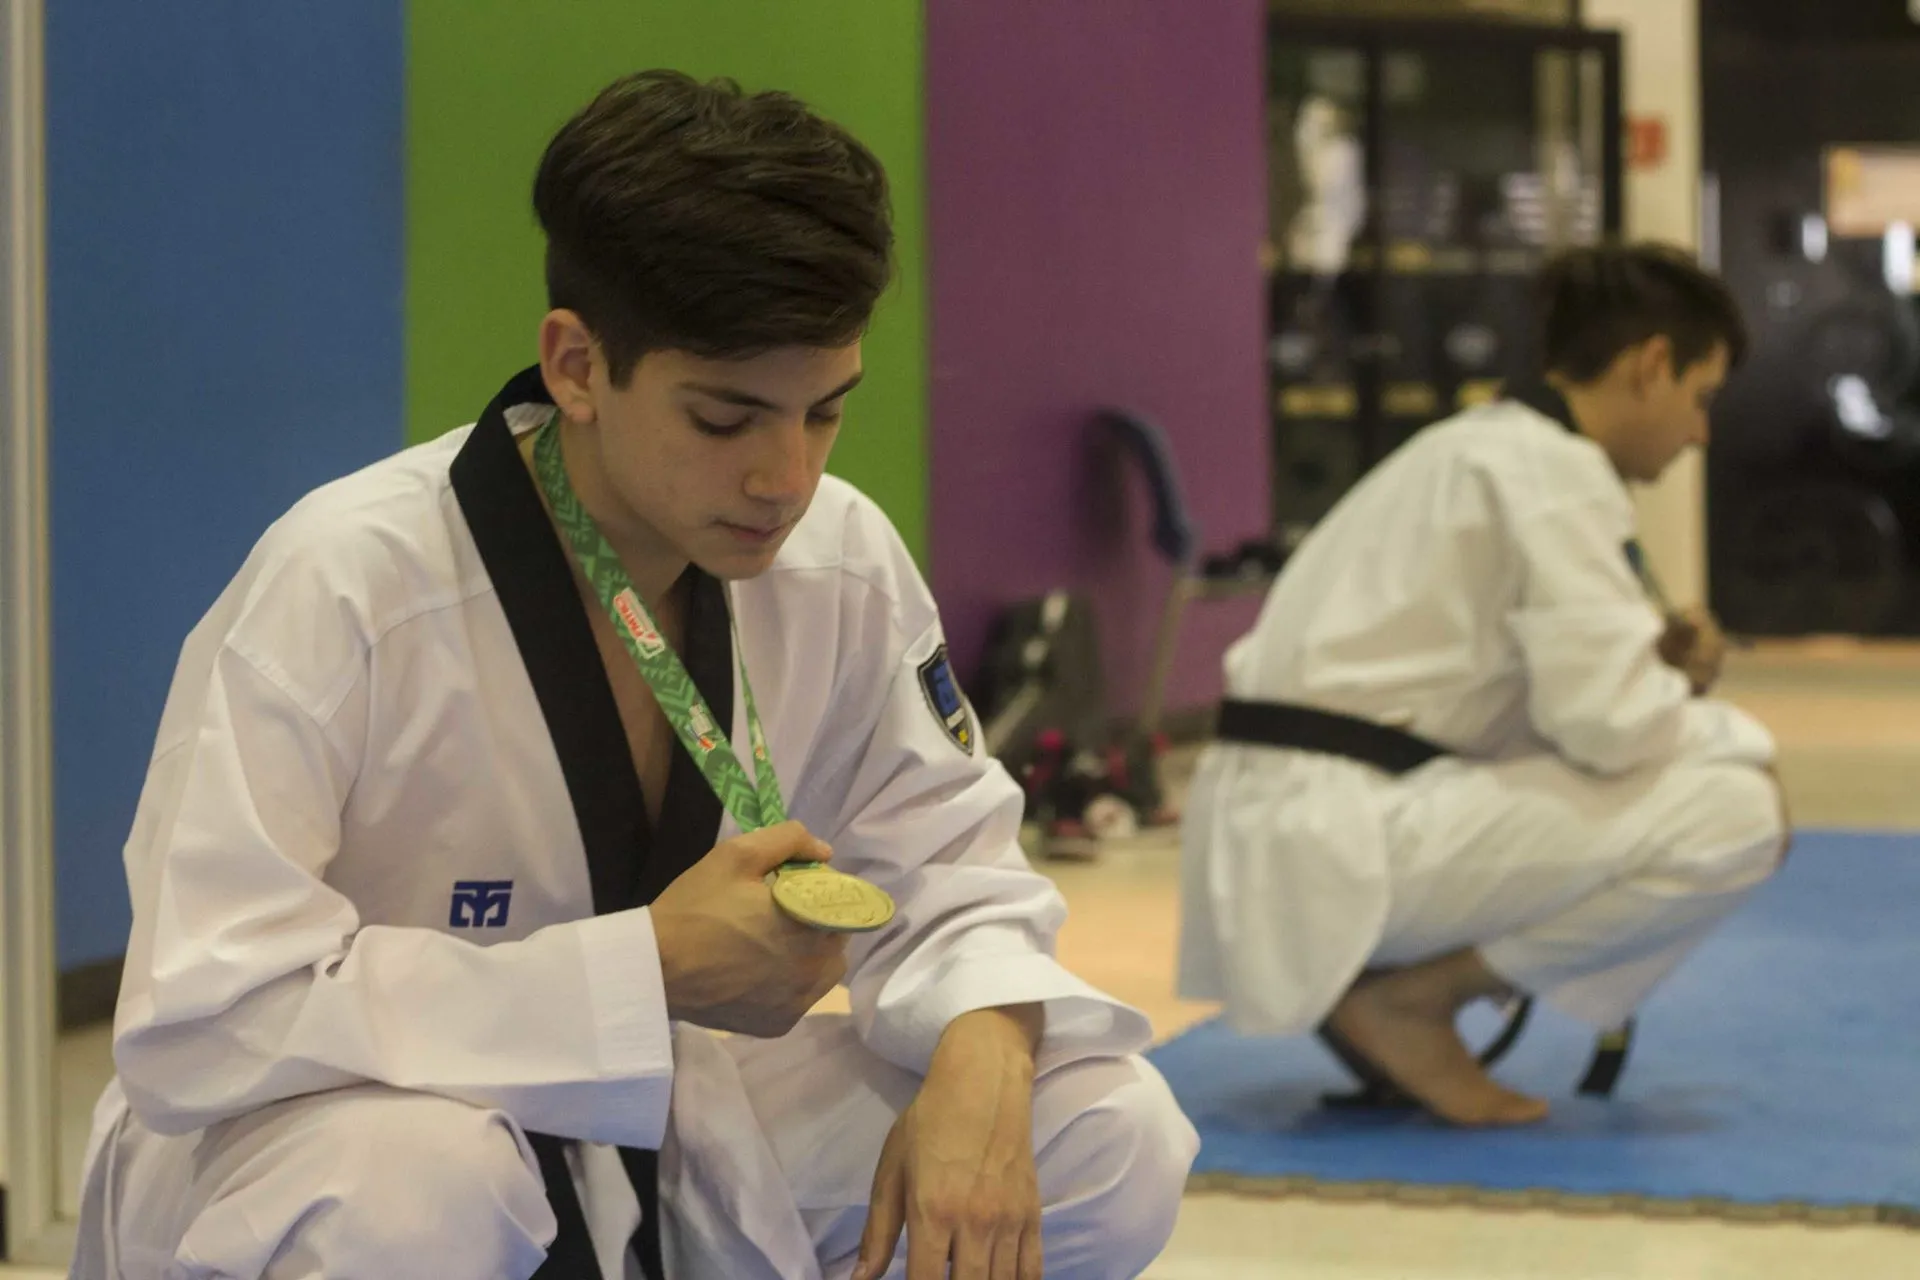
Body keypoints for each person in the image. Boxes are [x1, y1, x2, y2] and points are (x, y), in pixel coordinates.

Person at [70, 71, 1197, 1280]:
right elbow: (203, 1017)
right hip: (328, 1142)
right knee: (416, 1189)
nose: (788, 476)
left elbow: (954, 865)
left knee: (1103, 1130)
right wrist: (641, 966)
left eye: (825, 412)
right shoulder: (346, 585)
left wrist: (987, 1048)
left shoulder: (842, 561)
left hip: (667, 1112)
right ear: (576, 365)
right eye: (727, 419)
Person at [1178, 242, 1791, 1128]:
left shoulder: (1484, 446)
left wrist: (1658, 667)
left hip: (1294, 822)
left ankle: (1381, 990)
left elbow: (1550, 695)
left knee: (1699, 777)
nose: (1701, 433)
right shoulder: (1554, 477)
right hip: (1334, 831)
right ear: (1651, 366)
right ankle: (1407, 1001)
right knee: (1739, 814)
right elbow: (1612, 732)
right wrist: (1750, 745)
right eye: (1702, 399)